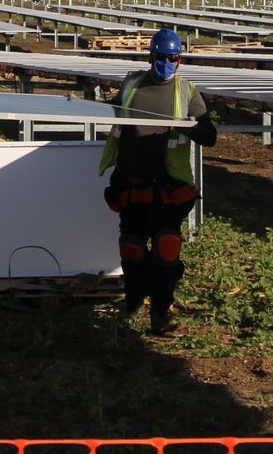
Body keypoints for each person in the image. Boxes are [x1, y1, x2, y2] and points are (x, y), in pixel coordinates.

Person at [97, 28, 217, 335]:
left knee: (166, 245)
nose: (166, 63)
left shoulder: (187, 93)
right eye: (161, 57)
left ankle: (161, 312)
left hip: (167, 186)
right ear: (151, 56)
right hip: (130, 182)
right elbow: (112, 112)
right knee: (132, 247)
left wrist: (190, 126)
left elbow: (209, 135)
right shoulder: (132, 83)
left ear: (179, 60)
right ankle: (134, 302)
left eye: (172, 58)